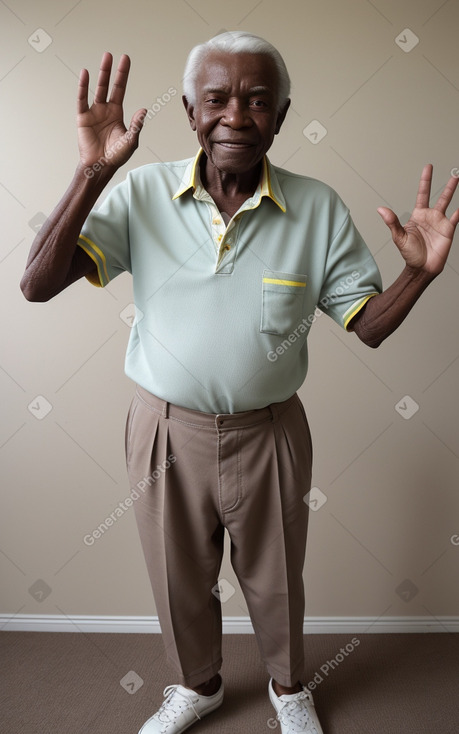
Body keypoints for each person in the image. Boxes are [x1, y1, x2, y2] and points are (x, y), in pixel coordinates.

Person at [20, 31, 458, 734]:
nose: (235, 116)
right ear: (191, 110)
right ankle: (198, 687)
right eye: (216, 99)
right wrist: (90, 172)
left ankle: (290, 690)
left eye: (258, 101)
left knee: (277, 576)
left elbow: (367, 326)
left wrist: (418, 273)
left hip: (270, 429)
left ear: (281, 116)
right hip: (163, 426)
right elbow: (37, 284)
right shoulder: (141, 192)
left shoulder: (315, 207)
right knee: (176, 576)